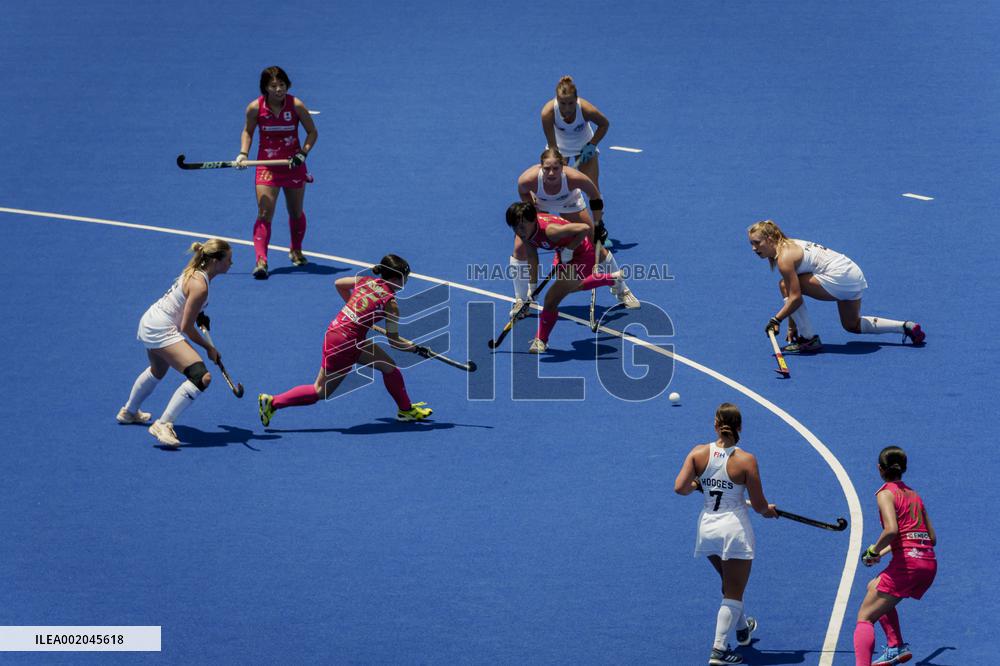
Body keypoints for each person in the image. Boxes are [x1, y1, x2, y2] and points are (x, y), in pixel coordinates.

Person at [257, 255, 433, 425]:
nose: (406, 281)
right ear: (396, 278)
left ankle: (405, 410)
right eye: (405, 278)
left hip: (336, 333)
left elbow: (339, 284)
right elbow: (393, 341)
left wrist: (357, 314)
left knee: (388, 366)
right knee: (320, 390)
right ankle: (273, 402)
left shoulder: (367, 281)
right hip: (347, 344)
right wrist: (416, 349)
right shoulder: (391, 304)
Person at [674, 403, 778, 665]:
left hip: (707, 528)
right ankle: (719, 649)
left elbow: (680, 488)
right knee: (733, 591)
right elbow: (760, 506)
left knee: (730, 584)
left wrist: (700, 484)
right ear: (740, 426)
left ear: (715, 424)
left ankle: (742, 629)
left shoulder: (698, 453)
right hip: (734, 530)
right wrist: (770, 511)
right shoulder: (746, 460)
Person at [117, 240, 233, 447]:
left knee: (157, 370)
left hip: (151, 320)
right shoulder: (201, 286)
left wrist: (200, 315)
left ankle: (129, 412)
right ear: (216, 261)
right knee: (201, 377)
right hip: (161, 329)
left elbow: (186, 306)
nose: (231, 264)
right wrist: (209, 348)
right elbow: (187, 328)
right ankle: (163, 424)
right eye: (228, 260)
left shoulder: (196, 271)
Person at [748, 220, 925, 353]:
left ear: (770, 239)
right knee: (852, 324)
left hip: (839, 277)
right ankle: (905, 326)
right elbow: (794, 294)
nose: (754, 248)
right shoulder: (788, 244)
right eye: (751, 244)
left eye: (757, 243)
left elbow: (794, 297)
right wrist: (791, 326)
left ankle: (808, 339)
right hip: (852, 273)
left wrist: (776, 320)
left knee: (784, 285)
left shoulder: (784, 259)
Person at [510, 148, 634, 316]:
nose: (551, 173)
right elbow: (523, 192)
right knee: (520, 247)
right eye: (547, 168)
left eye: (556, 168)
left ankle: (622, 290)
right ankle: (522, 300)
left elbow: (595, 196)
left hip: (569, 203)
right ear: (541, 167)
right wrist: (532, 210)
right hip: (540, 206)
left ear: (563, 166)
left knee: (596, 245)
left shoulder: (574, 178)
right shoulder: (527, 180)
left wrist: (598, 225)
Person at [505, 201, 638, 354]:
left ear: (533, 220)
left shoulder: (551, 231)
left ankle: (541, 340)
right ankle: (610, 279)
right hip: (563, 253)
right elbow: (532, 257)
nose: (518, 231)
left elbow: (584, 228)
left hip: (582, 254)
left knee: (551, 299)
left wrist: (569, 249)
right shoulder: (526, 232)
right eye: (514, 227)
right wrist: (532, 288)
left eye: (522, 226)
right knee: (572, 288)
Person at [853, 446, 936, 666]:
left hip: (908, 565)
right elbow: (930, 538)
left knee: (864, 617)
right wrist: (882, 552)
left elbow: (891, 531)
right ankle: (895, 645)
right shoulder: (915, 496)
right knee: (874, 587)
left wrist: (873, 550)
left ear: (880, 469)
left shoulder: (885, 493)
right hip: (927, 563)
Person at [236, 65, 319, 279]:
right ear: (265, 88)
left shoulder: (296, 105)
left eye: (282, 85)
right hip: (266, 166)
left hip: (293, 165)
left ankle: (296, 249)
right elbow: (248, 131)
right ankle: (261, 260)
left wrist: (303, 153)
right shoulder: (255, 108)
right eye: (274, 86)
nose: (279, 89)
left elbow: (312, 132)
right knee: (265, 212)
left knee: (295, 212)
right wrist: (243, 154)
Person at [541, 75, 609, 189]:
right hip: (559, 145)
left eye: (571, 103)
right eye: (562, 103)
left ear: (576, 99)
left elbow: (604, 124)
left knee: (592, 186)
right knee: (553, 186)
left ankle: (597, 206)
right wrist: (558, 158)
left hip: (584, 144)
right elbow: (553, 146)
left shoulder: (587, 110)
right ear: (557, 100)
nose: (567, 108)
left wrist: (592, 144)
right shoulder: (547, 113)